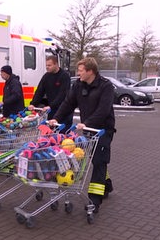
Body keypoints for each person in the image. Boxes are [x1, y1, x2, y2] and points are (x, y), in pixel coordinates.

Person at [48, 57, 115, 213]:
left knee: (98, 161)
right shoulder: (78, 85)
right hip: (88, 128)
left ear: (90, 71)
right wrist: (56, 118)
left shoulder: (106, 87)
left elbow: (103, 110)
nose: (78, 73)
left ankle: (94, 201)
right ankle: (108, 184)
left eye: (80, 70)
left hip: (103, 129)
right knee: (96, 159)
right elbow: (68, 103)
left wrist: (88, 123)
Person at [28, 55, 72, 132]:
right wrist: (33, 103)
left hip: (63, 109)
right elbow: (39, 91)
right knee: (50, 133)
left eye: (49, 65)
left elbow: (62, 94)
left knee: (63, 133)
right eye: (46, 65)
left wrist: (51, 106)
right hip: (52, 110)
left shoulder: (64, 76)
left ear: (56, 64)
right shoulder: (46, 76)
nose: (47, 67)